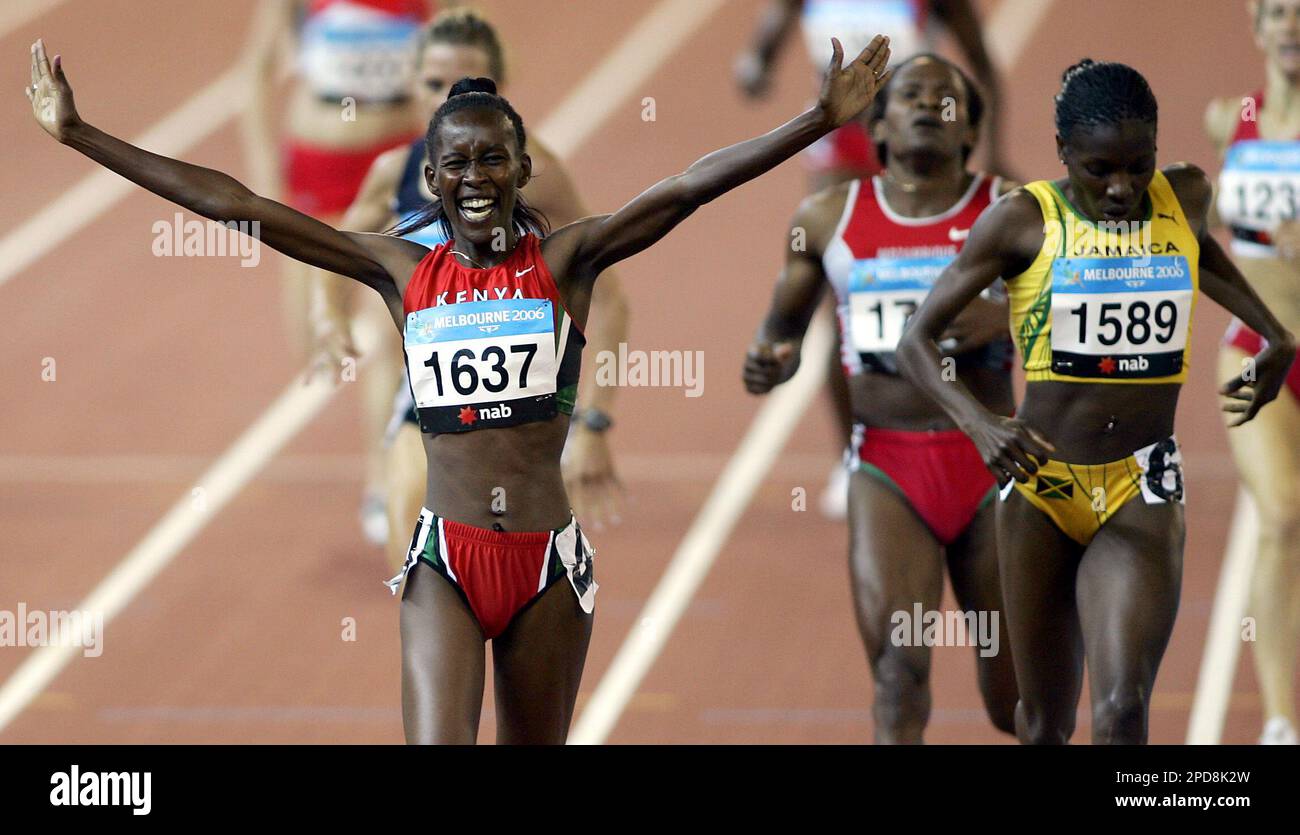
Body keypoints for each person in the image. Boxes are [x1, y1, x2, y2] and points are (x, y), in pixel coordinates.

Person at [27, 34, 894, 743]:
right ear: (432, 181)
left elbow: (689, 187)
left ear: (522, 168)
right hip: (445, 555)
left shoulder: (568, 262)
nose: (475, 176)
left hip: (547, 561)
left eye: (493, 159)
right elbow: (235, 203)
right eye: (456, 164)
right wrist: (83, 135)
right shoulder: (398, 269)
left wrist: (815, 119)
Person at [896, 59, 1297, 744]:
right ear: (1062, 155)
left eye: (1139, 165)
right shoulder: (1021, 221)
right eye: (1099, 169)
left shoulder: (1186, 195)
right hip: (1042, 486)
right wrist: (981, 423)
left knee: (1120, 709)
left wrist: (1276, 334)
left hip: (1141, 485)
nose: (1122, 188)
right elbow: (916, 339)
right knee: (1043, 721)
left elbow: (1202, 254)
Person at [743, 55, 1016, 743]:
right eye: (912, 96)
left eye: (947, 100)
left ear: (969, 133)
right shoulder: (829, 216)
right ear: (880, 127)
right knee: (898, 673)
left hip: (994, 461)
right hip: (888, 467)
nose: (929, 105)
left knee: (1016, 697)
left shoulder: (1010, 211)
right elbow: (780, 332)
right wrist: (769, 359)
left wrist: (1010, 317)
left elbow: (1075, 300)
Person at [306, 8, 629, 570]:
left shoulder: (539, 174)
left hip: (531, 404)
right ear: (411, 85)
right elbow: (337, 248)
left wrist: (594, 420)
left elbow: (613, 302)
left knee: (527, 574)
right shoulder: (396, 171)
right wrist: (327, 314)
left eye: (468, 86)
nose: (447, 100)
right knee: (412, 546)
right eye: (434, 84)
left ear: (501, 93)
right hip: (437, 393)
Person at [735, 0, 1006, 521]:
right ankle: (855, 455)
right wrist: (753, 69)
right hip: (840, 152)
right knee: (843, 316)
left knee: (948, 299)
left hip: (923, 151)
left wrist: (991, 151)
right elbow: (762, 51)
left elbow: (985, 68)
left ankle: (964, 436)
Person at [241, 0, 435, 542]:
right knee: (313, 344)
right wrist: (260, 187)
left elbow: (473, 54)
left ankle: (383, 480)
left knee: (385, 338)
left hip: (394, 165)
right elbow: (256, 71)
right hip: (317, 169)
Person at [1204, 0, 1300, 745]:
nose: (1291, 26)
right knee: (1282, 515)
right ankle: (1278, 718)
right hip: (1259, 349)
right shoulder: (1225, 118)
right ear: (1256, 26)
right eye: (1277, 13)